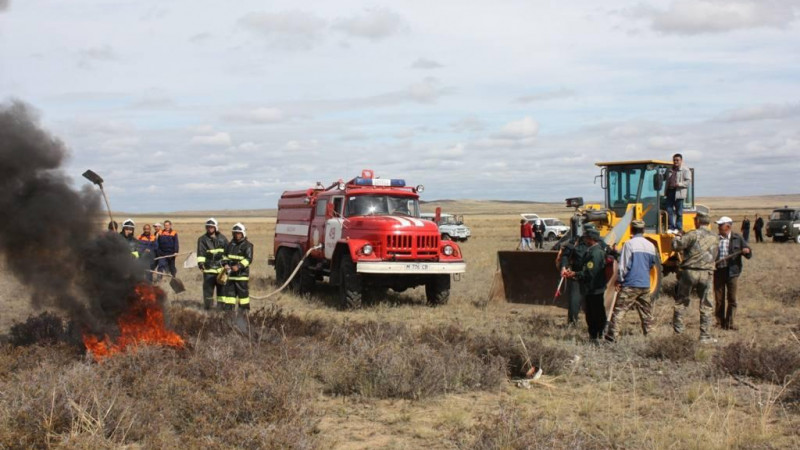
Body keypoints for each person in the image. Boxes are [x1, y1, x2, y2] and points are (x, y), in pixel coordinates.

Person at [605, 220, 657, 342]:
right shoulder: (651, 246)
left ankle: (612, 337)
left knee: (619, 311)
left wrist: (619, 280)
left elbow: (624, 265)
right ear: (643, 230)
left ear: (631, 230)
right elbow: (652, 264)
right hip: (645, 284)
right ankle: (650, 336)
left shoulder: (629, 244)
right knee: (646, 312)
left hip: (630, 284)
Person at [671, 212, 719, 343]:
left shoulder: (692, 234)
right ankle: (705, 336)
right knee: (706, 304)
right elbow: (715, 254)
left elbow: (676, 247)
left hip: (690, 272)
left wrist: (676, 237)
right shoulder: (715, 236)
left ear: (697, 221)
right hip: (707, 273)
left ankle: (678, 333)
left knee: (681, 302)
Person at [565, 229, 607, 340]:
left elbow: (590, 272)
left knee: (595, 313)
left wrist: (575, 274)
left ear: (591, 239)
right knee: (592, 312)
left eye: (586, 238)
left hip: (594, 288)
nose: (584, 240)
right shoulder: (592, 251)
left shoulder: (595, 253)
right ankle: (595, 334)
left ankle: (597, 334)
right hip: (591, 288)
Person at [714, 216, 752, 331]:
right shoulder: (715, 239)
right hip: (718, 271)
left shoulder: (737, 238)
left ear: (728, 226)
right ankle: (720, 323)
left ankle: (730, 323)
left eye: (721, 225)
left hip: (732, 272)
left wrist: (747, 251)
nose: (719, 227)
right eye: (719, 225)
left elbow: (749, 254)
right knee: (719, 299)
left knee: (732, 299)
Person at [220, 223, 254, 312]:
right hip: (230, 277)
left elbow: (248, 259)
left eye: (238, 233)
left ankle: (244, 314)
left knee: (243, 298)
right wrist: (225, 264)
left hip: (241, 276)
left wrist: (239, 266)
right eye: (235, 233)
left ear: (243, 233)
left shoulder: (248, 245)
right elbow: (224, 257)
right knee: (229, 298)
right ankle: (228, 315)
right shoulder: (230, 245)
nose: (237, 235)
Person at [197, 218, 228, 310]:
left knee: (222, 291)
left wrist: (226, 264)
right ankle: (208, 308)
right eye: (208, 227)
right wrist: (201, 264)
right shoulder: (202, 239)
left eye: (212, 227)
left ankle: (221, 308)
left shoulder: (223, 239)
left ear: (215, 227)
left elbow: (227, 253)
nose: (210, 228)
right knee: (208, 291)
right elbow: (200, 253)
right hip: (208, 270)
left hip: (221, 270)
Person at [665, 153, 692, 234]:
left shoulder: (685, 170)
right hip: (670, 191)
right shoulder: (670, 169)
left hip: (679, 193)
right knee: (668, 210)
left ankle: (678, 228)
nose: (675, 161)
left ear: (681, 161)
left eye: (677, 160)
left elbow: (688, 182)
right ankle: (671, 227)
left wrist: (679, 184)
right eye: (674, 160)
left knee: (679, 212)